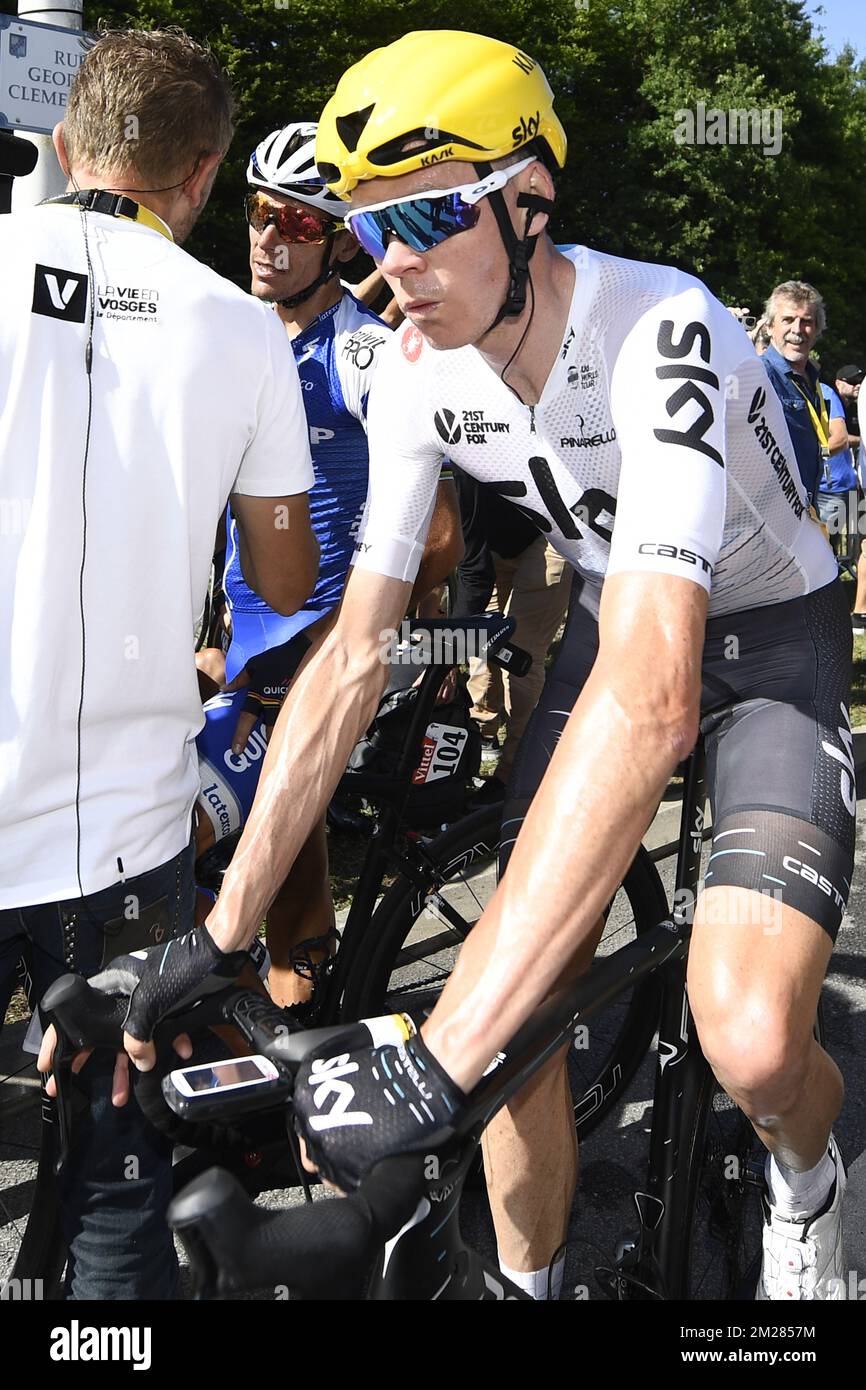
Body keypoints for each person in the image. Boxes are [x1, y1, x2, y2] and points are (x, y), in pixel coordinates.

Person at [83, 30, 851, 1302]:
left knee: (754, 1040)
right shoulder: (415, 372)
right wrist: (217, 934)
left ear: (528, 203)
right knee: (523, 980)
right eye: (370, 225)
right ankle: (527, 1279)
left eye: (429, 214)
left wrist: (431, 1064)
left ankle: (809, 1179)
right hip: (622, 617)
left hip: (766, 639)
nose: (394, 261)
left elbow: (657, 696)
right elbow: (351, 658)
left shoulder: (663, 322)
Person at [1, 27, 318, 1299]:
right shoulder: (243, 332)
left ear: (67, 144)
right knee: (118, 1168)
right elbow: (288, 578)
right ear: (201, 178)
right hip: (124, 838)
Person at [193, 122, 461, 1006]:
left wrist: (352, 645)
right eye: (259, 213)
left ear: (340, 238)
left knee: (186, 821)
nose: (269, 237)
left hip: (320, 649)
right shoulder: (233, 334)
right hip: (246, 640)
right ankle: (301, 1030)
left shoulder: (367, 355)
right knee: (293, 842)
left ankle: (192, 1012)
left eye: (297, 224)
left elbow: (439, 537)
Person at [759, 281, 831, 504]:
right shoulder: (759, 374)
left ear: (817, 329)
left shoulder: (813, 378)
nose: (797, 330)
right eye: (788, 320)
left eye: (807, 321)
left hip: (806, 506)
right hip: (770, 514)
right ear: (769, 327)